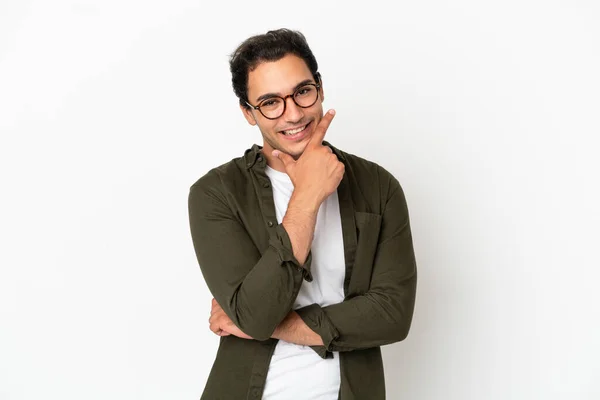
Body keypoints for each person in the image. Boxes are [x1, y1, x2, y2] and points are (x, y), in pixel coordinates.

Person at [188, 28, 417, 400]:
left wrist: (269, 325)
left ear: (320, 88)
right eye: (270, 102)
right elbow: (258, 313)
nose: (293, 113)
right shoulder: (216, 194)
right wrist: (307, 197)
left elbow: (392, 315)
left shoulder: (378, 187)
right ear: (248, 113)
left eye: (302, 92)